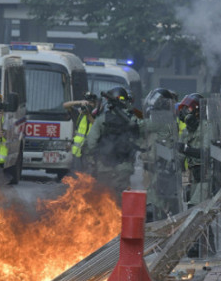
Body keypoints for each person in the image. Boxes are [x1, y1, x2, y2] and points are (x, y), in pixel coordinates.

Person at [82, 86, 142, 198]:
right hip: (124, 166)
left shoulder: (101, 119)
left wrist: (94, 159)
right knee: (122, 197)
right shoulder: (133, 120)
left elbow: (91, 142)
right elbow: (140, 138)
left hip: (104, 165)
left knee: (104, 197)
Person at [142, 88, 180, 221]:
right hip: (159, 177)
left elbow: (163, 152)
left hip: (165, 178)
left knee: (158, 213)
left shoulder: (164, 124)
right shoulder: (165, 124)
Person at [176, 93, 207, 207]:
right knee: (192, 208)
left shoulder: (207, 127)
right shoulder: (187, 131)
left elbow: (206, 153)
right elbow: (180, 153)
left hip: (206, 174)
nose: (185, 113)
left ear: (198, 111)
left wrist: (186, 149)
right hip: (193, 174)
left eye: (188, 109)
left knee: (195, 207)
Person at [64, 92, 98, 171]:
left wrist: (88, 114)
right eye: (87, 102)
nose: (89, 105)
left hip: (90, 151)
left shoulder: (97, 115)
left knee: (90, 172)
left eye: (91, 103)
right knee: (77, 172)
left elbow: (95, 124)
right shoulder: (79, 114)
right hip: (77, 151)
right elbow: (65, 105)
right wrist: (79, 102)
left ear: (95, 104)